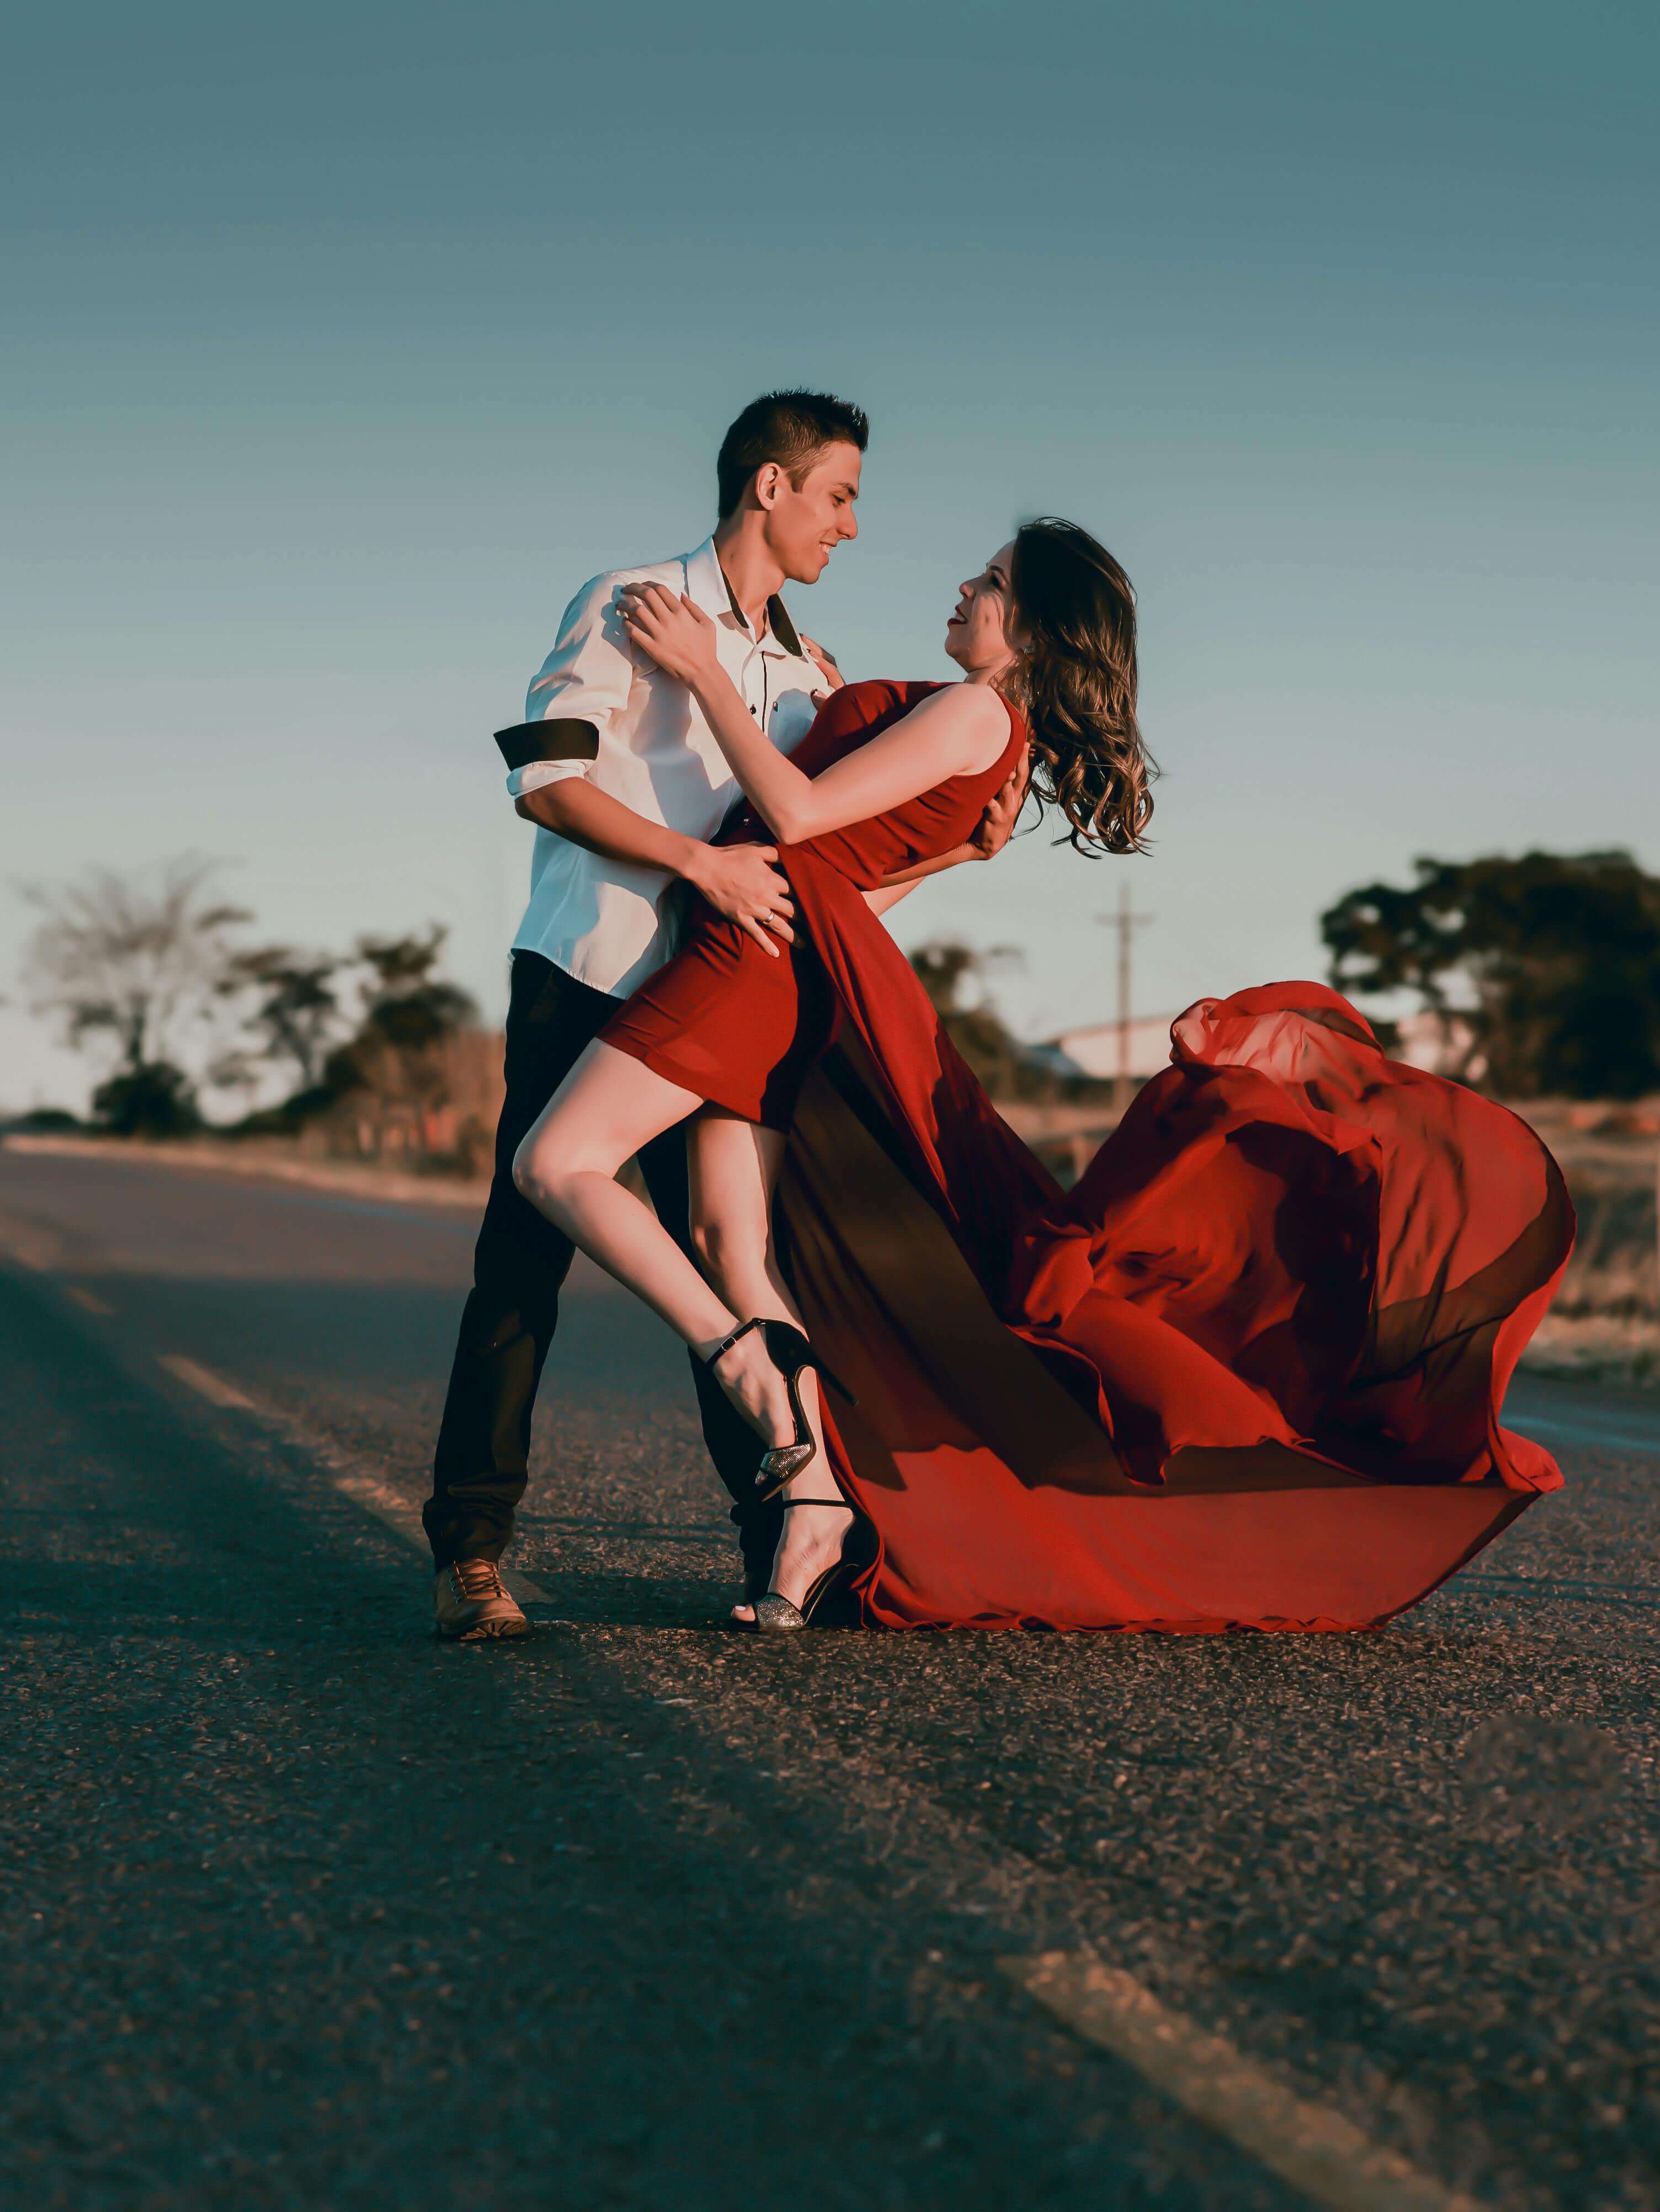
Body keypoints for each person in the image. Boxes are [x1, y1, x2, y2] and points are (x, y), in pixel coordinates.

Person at [516, 517, 1576, 1633]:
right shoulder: (993, 730)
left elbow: (794, 816)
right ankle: (816, 1506)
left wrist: (698, 675)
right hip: (787, 960)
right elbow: (848, 892)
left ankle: (750, 1377)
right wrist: (938, 850)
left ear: (1029, 627)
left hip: (741, 962)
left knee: (557, 1161)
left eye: (990, 583)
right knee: (736, 1247)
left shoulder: (976, 708)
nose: (964, 588)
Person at [424, 391, 1013, 1641]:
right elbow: (545, 779)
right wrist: (697, 870)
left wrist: (956, 856)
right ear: (769, 486)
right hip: (591, 966)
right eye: (839, 495)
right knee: (522, 1265)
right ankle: (469, 1554)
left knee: (723, 1250)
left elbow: (823, 867)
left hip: (722, 992)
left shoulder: (809, 675)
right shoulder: (632, 599)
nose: (850, 527)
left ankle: (788, 1541)